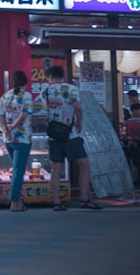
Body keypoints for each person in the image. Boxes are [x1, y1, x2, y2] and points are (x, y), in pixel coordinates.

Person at [39, 64, 101, 210]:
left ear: (50, 77)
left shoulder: (45, 91)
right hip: (70, 134)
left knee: (56, 168)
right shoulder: (70, 89)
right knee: (84, 165)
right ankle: (84, 199)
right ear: (63, 76)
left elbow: (45, 110)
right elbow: (78, 107)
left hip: (54, 135)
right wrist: (79, 121)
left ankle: (56, 202)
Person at [0, 70, 32, 212]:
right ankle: (15, 202)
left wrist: (5, 129)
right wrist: (12, 127)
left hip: (8, 139)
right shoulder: (26, 96)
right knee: (18, 171)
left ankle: (17, 200)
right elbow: (23, 116)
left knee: (16, 169)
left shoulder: (6, 96)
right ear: (26, 82)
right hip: (22, 138)